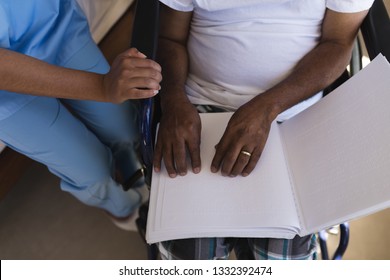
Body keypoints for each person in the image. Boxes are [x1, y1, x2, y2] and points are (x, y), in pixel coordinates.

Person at [153, 0, 374, 259]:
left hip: (295, 113)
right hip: (200, 106)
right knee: (191, 254)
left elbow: (338, 43)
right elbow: (170, 38)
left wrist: (268, 107)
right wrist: (173, 100)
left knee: (284, 256)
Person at [0, 0, 162, 230]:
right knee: (92, 171)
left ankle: (133, 172)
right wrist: (102, 87)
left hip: (52, 23)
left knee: (124, 127)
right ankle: (125, 209)